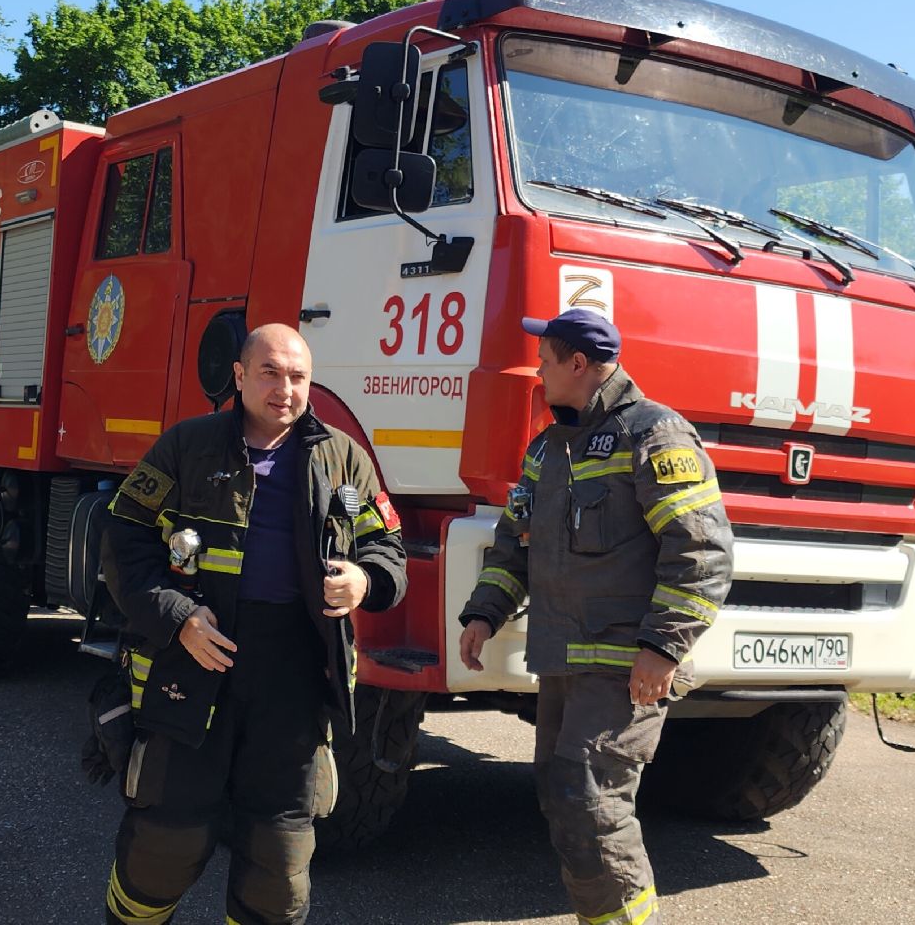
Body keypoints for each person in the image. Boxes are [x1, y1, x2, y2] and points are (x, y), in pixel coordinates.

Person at [98, 323, 406, 925]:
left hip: (293, 679)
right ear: (239, 376)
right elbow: (123, 538)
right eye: (270, 373)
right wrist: (178, 617)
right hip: (194, 662)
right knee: (166, 842)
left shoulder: (344, 457)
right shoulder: (186, 446)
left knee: (278, 859)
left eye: (297, 376)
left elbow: (387, 549)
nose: (285, 389)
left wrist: (364, 580)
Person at [456, 309, 733, 925]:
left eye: (545, 360)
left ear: (578, 363)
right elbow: (513, 544)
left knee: (592, 801)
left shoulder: (655, 434)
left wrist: (662, 648)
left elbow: (701, 552)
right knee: (565, 798)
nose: (538, 371)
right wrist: (484, 614)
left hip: (626, 666)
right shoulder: (549, 447)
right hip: (565, 660)